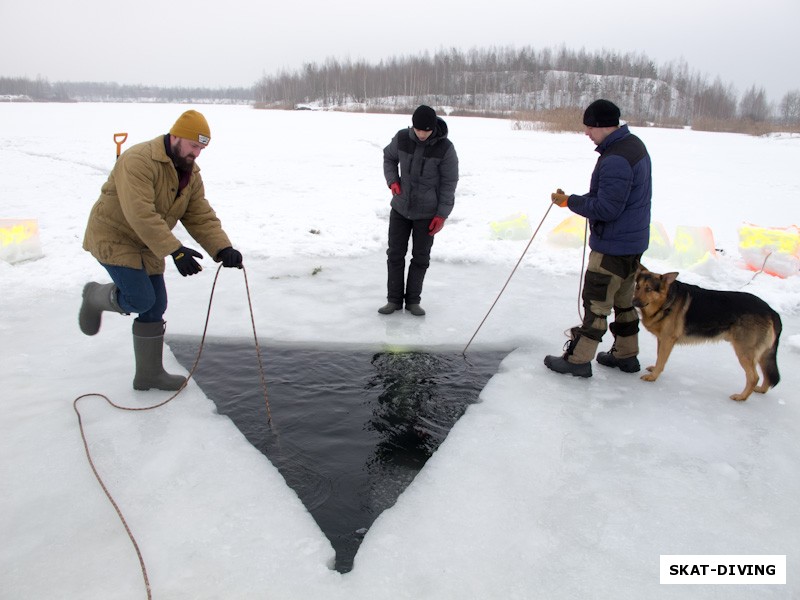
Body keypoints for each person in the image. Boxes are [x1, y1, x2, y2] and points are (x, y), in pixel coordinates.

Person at [79, 109, 244, 391]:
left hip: (148, 243)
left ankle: (149, 375)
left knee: (156, 305)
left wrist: (223, 247)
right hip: (114, 236)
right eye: (194, 146)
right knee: (141, 299)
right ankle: (95, 296)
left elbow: (199, 214)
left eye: (202, 148)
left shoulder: (190, 174)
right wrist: (175, 250)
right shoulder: (138, 160)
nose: (197, 154)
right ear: (176, 136)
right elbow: (139, 213)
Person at [544, 99, 652, 378]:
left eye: (590, 127)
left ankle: (578, 360)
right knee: (623, 301)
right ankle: (627, 356)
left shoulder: (616, 158)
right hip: (632, 244)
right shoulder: (633, 146)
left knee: (596, 304)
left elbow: (607, 208)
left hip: (612, 247)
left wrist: (571, 203)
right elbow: (613, 198)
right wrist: (575, 199)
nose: (587, 133)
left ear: (603, 126)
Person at [380, 105, 459, 316]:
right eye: (418, 130)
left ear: (433, 128)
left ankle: (413, 301)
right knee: (395, 254)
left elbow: (449, 183)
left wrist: (442, 214)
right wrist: (393, 181)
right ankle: (394, 300)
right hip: (400, 208)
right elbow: (389, 157)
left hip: (427, 213)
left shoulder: (445, 149)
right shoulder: (402, 138)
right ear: (412, 126)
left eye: (426, 130)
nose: (422, 134)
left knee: (421, 257)